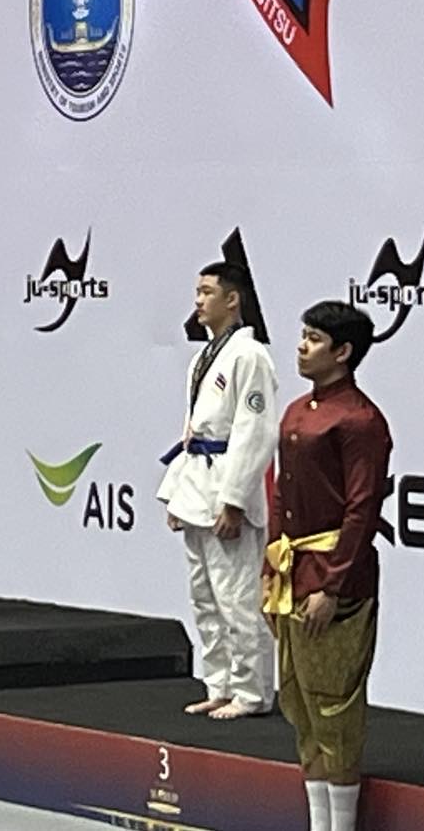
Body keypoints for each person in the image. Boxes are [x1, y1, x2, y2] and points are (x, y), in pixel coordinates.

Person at [265, 301, 392, 831]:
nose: (301, 346)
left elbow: (362, 509)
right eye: (302, 335)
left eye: (314, 339)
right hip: (293, 572)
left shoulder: (360, 421)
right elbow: (281, 494)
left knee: (333, 701)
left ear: (343, 352)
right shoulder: (297, 411)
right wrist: (271, 569)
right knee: (298, 701)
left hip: (335, 578)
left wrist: (333, 585)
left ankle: (342, 824)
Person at [159, 260, 279, 719]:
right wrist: (178, 493)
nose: (198, 300)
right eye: (197, 291)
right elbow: (192, 433)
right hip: (198, 480)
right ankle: (220, 682)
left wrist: (234, 501)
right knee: (205, 596)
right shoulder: (203, 356)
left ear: (233, 299)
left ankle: (251, 691)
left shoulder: (250, 356)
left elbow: (255, 433)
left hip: (228, 482)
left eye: (207, 292)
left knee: (237, 597)